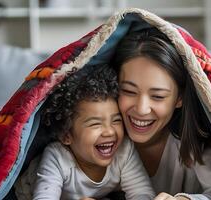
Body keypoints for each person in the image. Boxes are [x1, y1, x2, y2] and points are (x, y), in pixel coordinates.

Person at [111, 29, 211, 200]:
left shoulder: (196, 142)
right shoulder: (103, 138)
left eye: (158, 96)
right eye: (129, 91)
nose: (141, 109)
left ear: (179, 98)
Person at [33, 64, 155, 200]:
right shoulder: (57, 157)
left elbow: (143, 194)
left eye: (116, 120)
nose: (109, 131)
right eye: (96, 124)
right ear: (66, 135)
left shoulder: (124, 150)